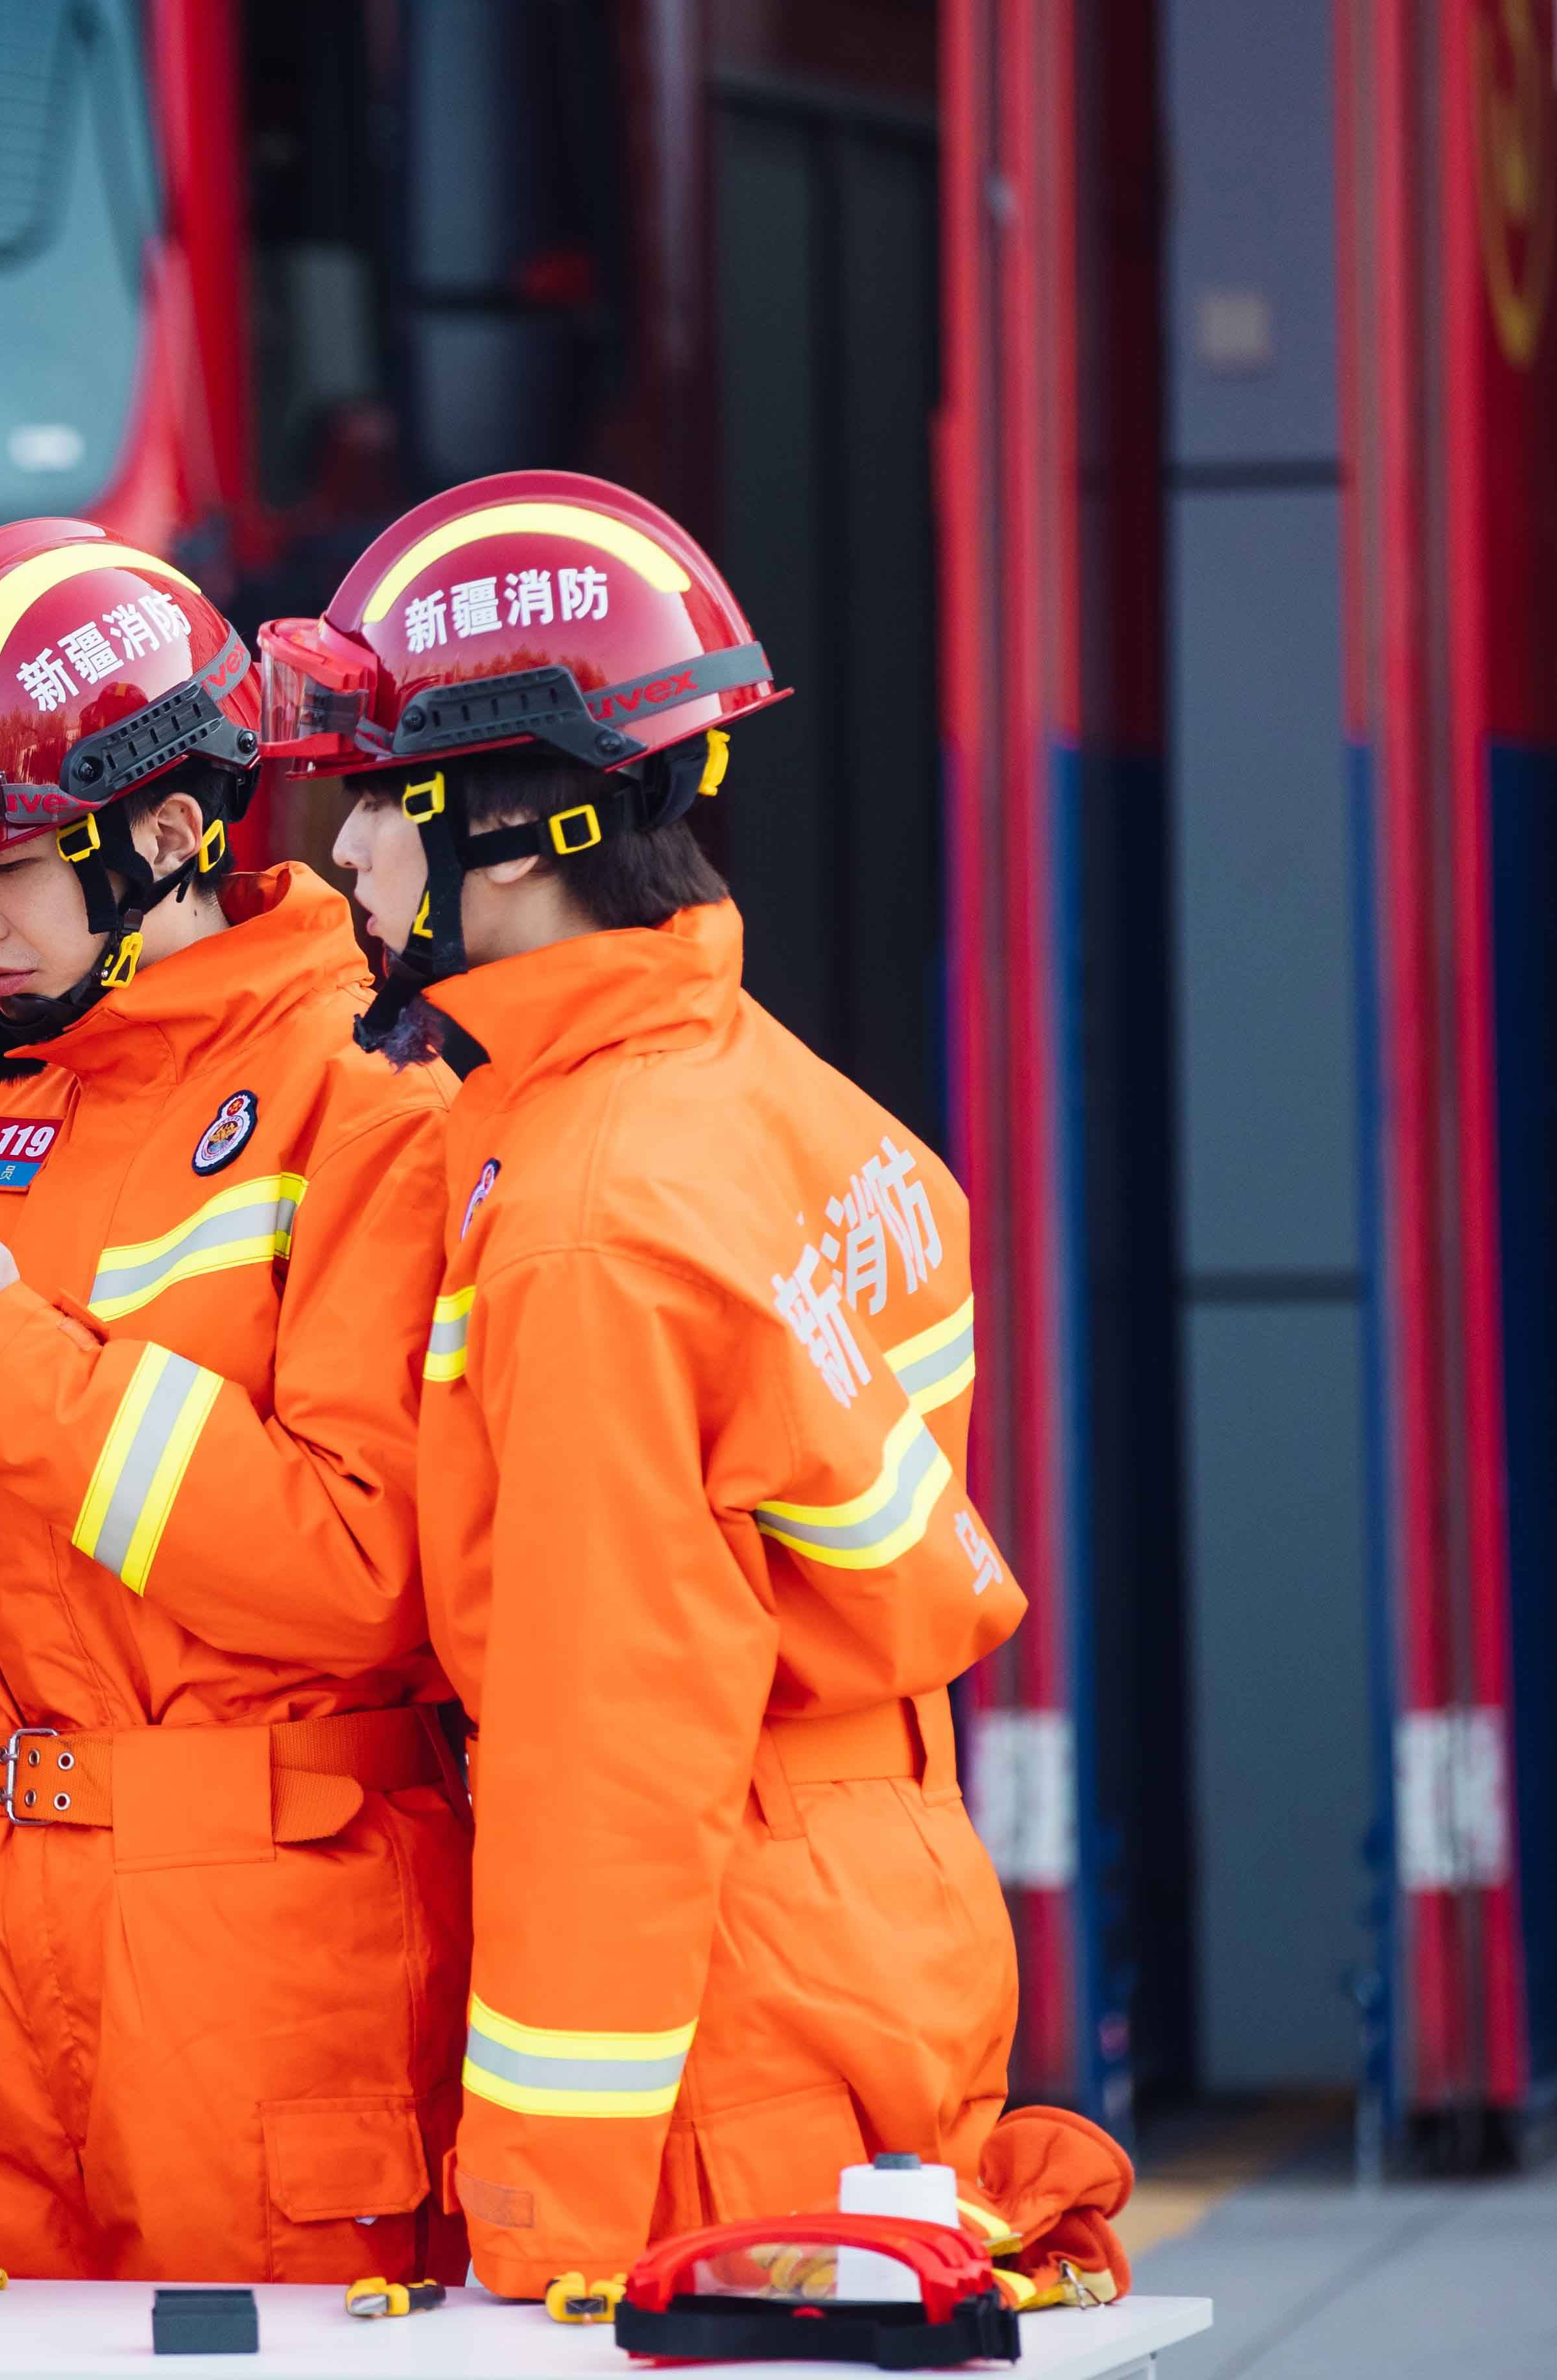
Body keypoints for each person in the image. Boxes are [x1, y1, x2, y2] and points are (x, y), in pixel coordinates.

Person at [264, 468, 1024, 2308]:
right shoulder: (787, 1102)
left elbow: (610, 1752)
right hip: (880, 1919)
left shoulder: (588, 1227)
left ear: (507, 832)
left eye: (377, 799)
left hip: (716, 2016)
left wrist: (559, 2242)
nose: (338, 859)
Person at [0, 518, 469, 2283]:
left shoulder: (368, 1109)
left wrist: (0, 1370)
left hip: (268, 1920)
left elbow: (366, 1573)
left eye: (11, 865)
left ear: (169, 833)